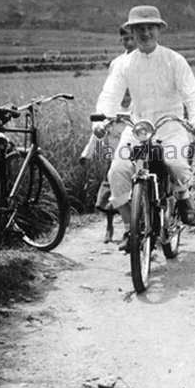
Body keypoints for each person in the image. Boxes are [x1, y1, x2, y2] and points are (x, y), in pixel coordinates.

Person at [94, 5, 195, 251]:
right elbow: (110, 94)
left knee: (175, 163)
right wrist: (101, 120)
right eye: (139, 29)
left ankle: (184, 198)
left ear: (158, 30)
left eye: (150, 28)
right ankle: (129, 228)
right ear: (131, 33)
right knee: (118, 171)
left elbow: (192, 93)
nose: (145, 33)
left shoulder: (173, 59)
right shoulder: (125, 64)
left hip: (170, 127)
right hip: (139, 129)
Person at [80, 26, 136, 243]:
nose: (128, 43)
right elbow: (110, 93)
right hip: (115, 132)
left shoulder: (146, 61)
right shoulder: (117, 63)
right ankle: (112, 226)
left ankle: (135, 225)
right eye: (125, 39)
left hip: (136, 127)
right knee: (111, 178)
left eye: (131, 38)